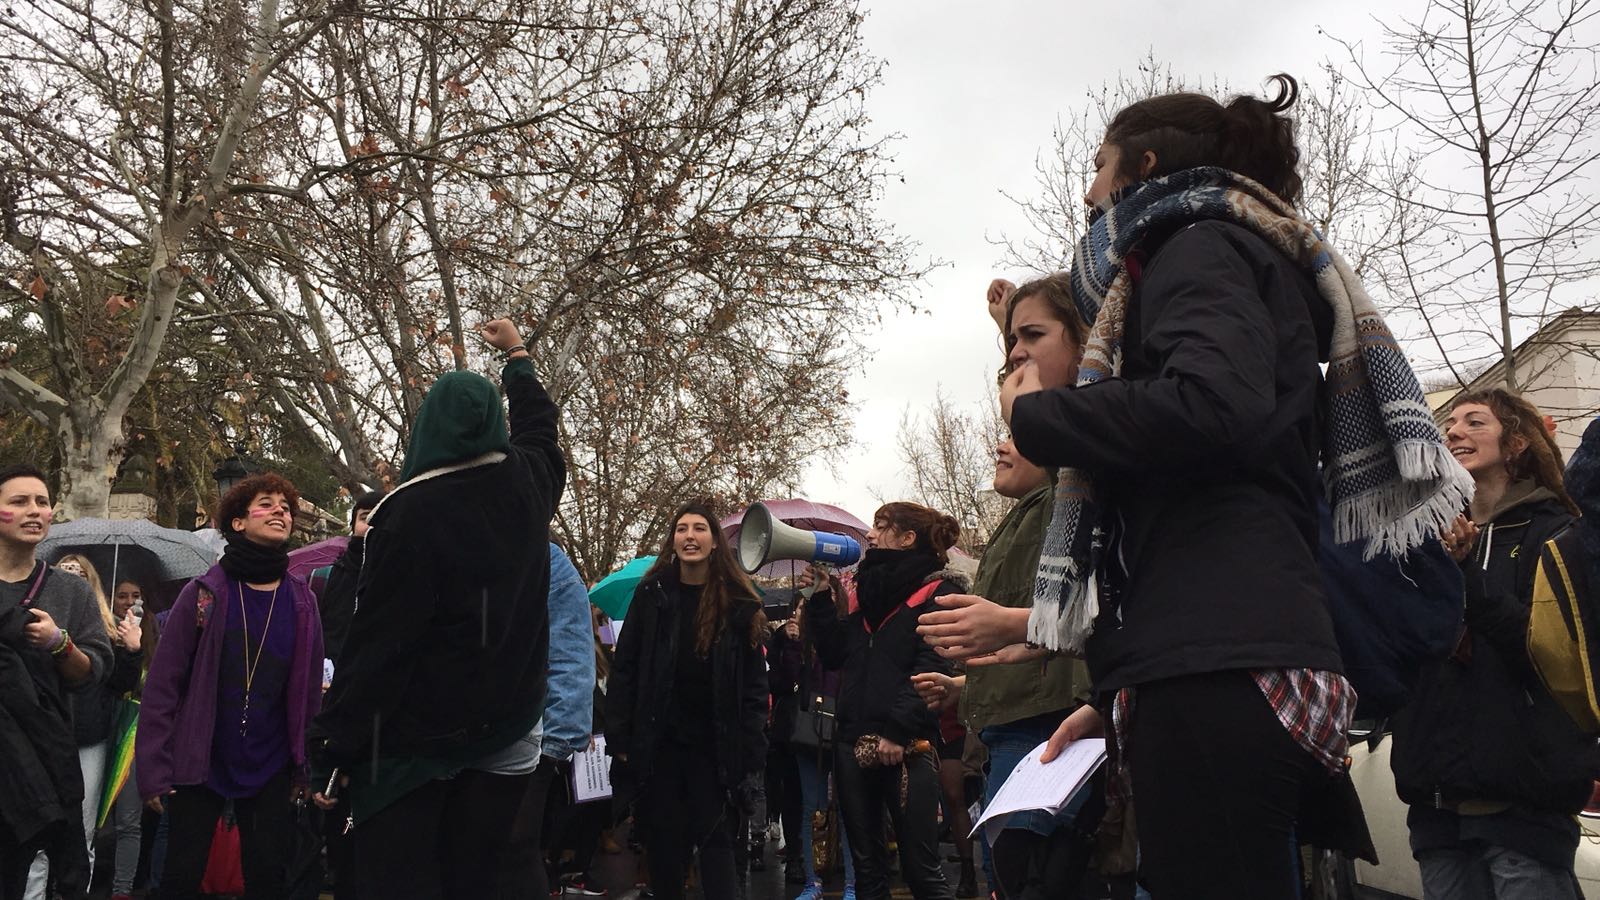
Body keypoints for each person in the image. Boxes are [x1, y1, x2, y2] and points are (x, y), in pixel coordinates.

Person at [922, 76, 1471, 898]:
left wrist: (1044, 415)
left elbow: (1214, 404)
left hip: (1222, 669)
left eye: (1099, 166)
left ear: (1142, 167)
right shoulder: (1211, 252)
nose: (1086, 190)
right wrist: (1111, 697)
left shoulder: (1197, 243)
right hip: (1216, 660)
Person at [310, 317, 565, 899]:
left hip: (422, 740)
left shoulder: (407, 514)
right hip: (511, 726)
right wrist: (518, 358)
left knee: (403, 878)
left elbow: (381, 645)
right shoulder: (529, 483)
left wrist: (338, 744)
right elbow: (540, 429)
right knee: (477, 878)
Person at [1392, 390, 1597, 899]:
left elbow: (1547, 653)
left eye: (1474, 422)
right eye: (1449, 423)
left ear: (1517, 444)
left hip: (1524, 806)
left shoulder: (1558, 536)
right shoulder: (1419, 538)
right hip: (1437, 808)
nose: (1454, 431)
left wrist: (1468, 578)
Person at [135, 472, 324, 900]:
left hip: (272, 762)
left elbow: (309, 692)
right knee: (180, 878)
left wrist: (305, 765)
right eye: (267, 503)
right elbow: (163, 687)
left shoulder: (302, 601)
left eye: (285, 506)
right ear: (237, 522)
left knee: (267, 879)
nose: (280, 510)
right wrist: (153, 769)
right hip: (200, 758)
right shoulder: (203, 595)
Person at [606, 501, 769, 900]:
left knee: (717, 850)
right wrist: (621, 739)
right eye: (681, 529)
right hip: (659, 748)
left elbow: (752, 688)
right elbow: (624, 669)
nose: (689, 536)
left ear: (715, 542)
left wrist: (750, 750)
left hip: (716, 752)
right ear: (673, 540)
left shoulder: (739, 603)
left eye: (699, 528)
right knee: (664, 852)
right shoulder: (651, 594)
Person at [806, 502, 959, 900]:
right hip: (851, 742)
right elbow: (835, 654)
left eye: (880, 526)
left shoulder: (939, 591)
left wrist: (896, 730)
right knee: (868, 869)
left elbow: (931, 665)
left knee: (920, 870)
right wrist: (821, 600)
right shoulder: (865, 595)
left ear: (907, 539)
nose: (870, 536)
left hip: (908, 746)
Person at [0, 465, 113, 899]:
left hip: (42, 762)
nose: (35, 511)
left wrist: (59, 643)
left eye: (42, 502)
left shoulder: (71, 591)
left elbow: (93, 675)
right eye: (19, 501)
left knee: (30, 865)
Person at [26, 556, 144, 900]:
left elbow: (120, 685)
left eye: (77, 572)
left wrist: (132, 650)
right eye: (62, 569)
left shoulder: (105, 631)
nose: (68, 576)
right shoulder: (34, 621)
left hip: (88, 738)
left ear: (88, 582)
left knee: (83, 830)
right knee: (34, 830)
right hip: (41, 736)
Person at [495, 541, 596, 900]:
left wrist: (555, 743)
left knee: (516, 850)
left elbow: (571, 656)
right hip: (450, 740)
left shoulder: (548, 562)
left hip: (524, 741)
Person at [769, 589, 856, 900]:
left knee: (848, 808)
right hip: (809, 732)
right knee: (811, 806)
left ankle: (851, 883)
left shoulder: (845, 636)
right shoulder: (798, 644)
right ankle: (812, 881)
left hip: (843, 726)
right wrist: (789, 644)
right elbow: (786, 682)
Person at [104, 578, 148, 900]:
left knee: (128, 820)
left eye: (135, 596)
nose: (129, 602)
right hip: (102, 728)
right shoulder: (99, 629)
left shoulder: (155, 635)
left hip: (135, 734)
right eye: (122, 596)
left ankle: (122, 890)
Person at [309, 489, 384, 664]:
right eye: (365, 517)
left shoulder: (408, 580)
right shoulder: (321, 580)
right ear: (352, 526)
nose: (372, 524)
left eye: (382, 516)